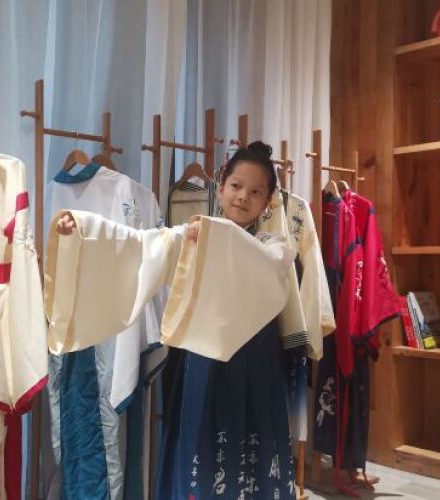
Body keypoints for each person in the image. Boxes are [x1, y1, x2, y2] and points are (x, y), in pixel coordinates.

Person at [56, 142, 297, 499]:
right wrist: (83, 228)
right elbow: (137, 245)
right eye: (236, 185)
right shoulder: (193, 235)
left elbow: (260, 265)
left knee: (251, 457)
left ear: (268, 201)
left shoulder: (273, 248)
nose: (243, 197)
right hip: (202, 366)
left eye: (255, 191)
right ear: (221, 185)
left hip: (254, 370)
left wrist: (213, 237)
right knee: (200, 455)